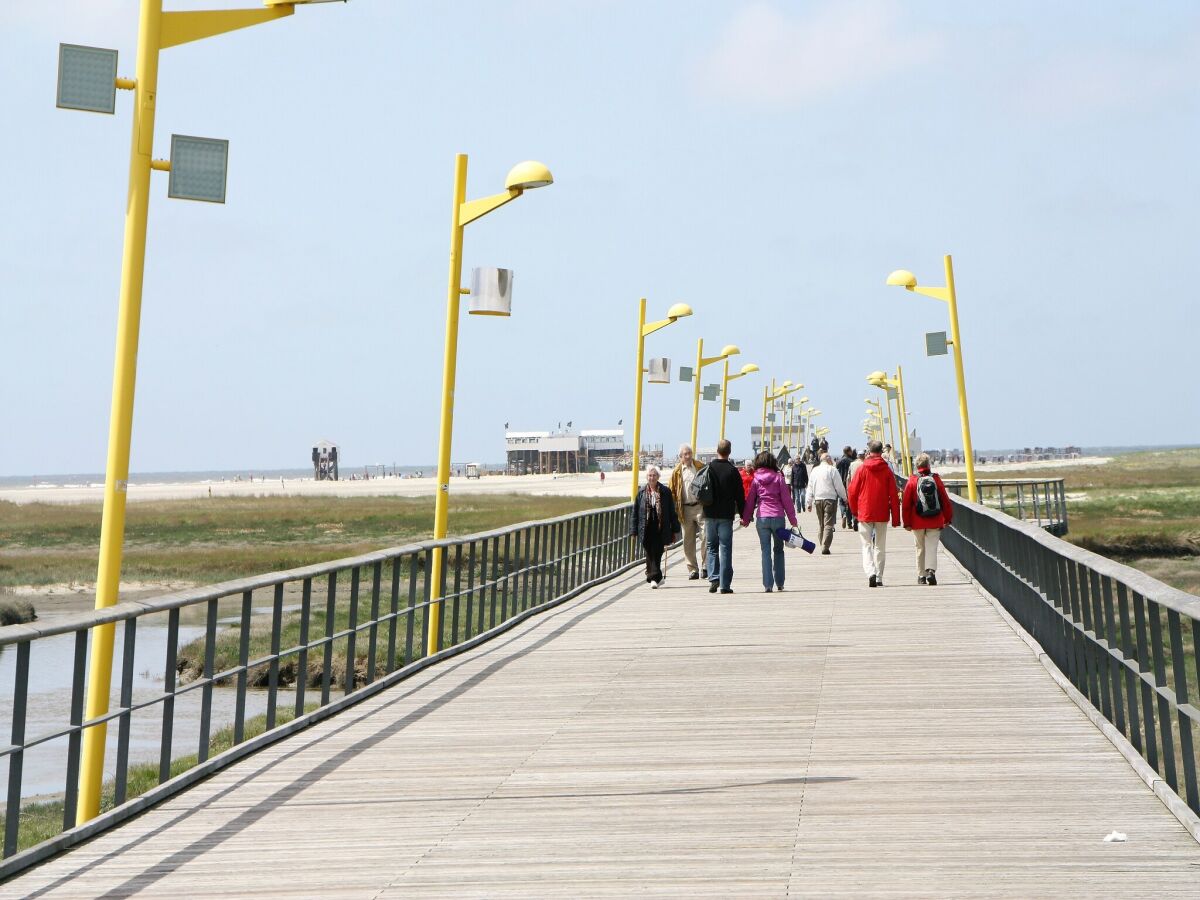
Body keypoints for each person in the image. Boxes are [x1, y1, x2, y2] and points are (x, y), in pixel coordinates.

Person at [741, 451, 798, 592]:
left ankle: (767, 585)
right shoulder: (778, 478)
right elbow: (787, 501)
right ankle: (780, 582)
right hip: (778, 517)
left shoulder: (755, 480)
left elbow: (750, 502)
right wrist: (793, 520)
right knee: (778, 550)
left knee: (765, 551)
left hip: (762, 518)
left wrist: (746, 519)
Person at [848, 440, 901, 588]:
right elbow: (894, 495)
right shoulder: (887, 470)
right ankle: (879, 576)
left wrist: (854, 511)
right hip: (882, 512)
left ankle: (870, 572)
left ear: (869, 451)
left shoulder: (862, 468)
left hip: (864, 512)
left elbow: (852, 491)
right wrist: (896, 519)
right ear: (881, 451)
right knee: (880, 546)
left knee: (866, 545)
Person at [902, 452, 954, 585]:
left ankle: (921, 576)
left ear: (916, 465)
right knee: (932, 546)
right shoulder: (936, 479)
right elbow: (944, 500)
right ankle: (931, 570)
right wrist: (948, 518)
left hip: (917, 520)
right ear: (928, 465)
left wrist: (906, 522)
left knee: (920, 548)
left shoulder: (912, 480)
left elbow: (906, 503)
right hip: (935, 519)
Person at [703, 439, 744, 594]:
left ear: (717, 450)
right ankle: (725, 585)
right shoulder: (733, 471)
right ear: (730, 451)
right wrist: (744, 515)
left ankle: (714, 578)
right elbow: (740, 495)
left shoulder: (709, 468)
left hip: (709, 514)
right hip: (726, 515)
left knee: (711, 547)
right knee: (725, 548)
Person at [629, 466, 680, 588]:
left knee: (657, 551)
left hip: (660, 526)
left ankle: (653, 577)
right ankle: (656, 576)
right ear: (647, 477)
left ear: (658, 477)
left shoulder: (665, 492)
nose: (652, 478)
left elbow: (671, 511)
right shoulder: (641, 493)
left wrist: (675, 528)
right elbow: (635, 513)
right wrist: (633, 530)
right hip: (645, 526)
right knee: (648, 551)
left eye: (654, 475)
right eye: (650, 476)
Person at [669, 444, 706, 580]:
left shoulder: (700, 467)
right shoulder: (677, 472)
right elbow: (671, 491)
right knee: (688, 540)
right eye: (685, 454)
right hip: (685, 508)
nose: (688, 456)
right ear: (681, 457)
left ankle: (706, 566)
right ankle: (692, 569)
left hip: (700, 506)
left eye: (690, 453)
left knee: (705, 536)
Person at [807, 453, 847, 554]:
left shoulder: (814, 470)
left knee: (821, 524)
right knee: (829, 524)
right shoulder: (832, 470)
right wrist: (845, 498)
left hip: (818, 499)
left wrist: (809, 502)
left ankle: (822, 544)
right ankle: (825, 546)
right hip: (830, 499)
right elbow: (839, 486)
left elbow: (810, 487)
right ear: (828, 459)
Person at [836, 447, 856, 530]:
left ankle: (843, 514)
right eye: (851, 451)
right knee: (850, 503)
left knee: (841, 502)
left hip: (840, 483)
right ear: (848, 452)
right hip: (848, 483)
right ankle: (849, 522)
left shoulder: (839, 461)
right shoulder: (851, 462)